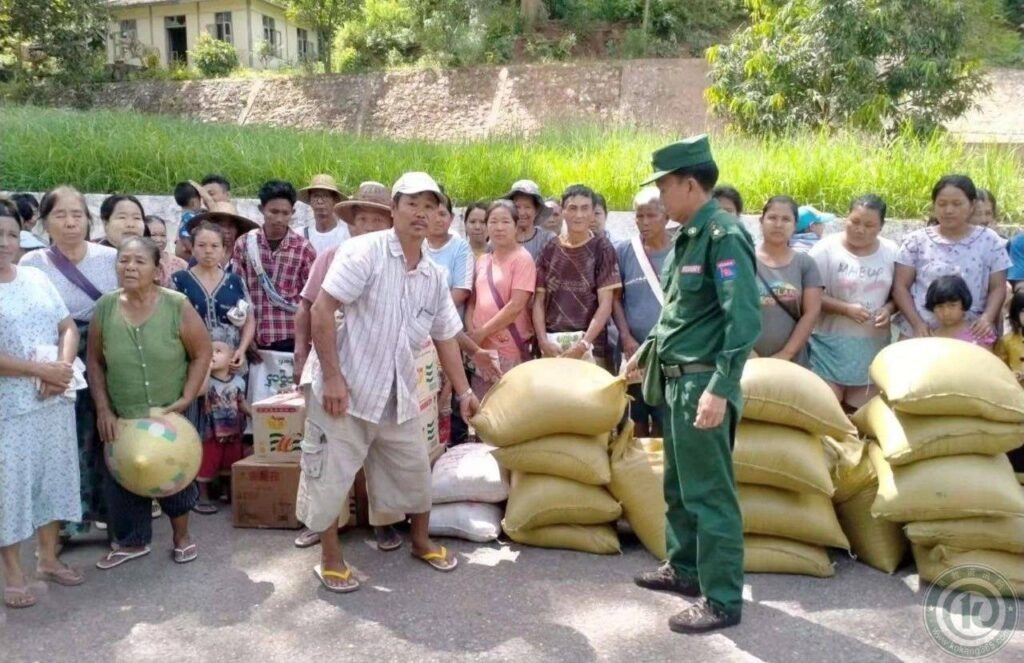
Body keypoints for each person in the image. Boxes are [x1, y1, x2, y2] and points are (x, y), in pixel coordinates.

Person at [299, 171, 480, 593]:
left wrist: (467, 391)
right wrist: (332, 378)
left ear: (440, 217)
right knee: (330, 475)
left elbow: (446, 335)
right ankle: (329, 559)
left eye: (430, 206)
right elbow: (320, 312)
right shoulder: (364, 253)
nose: (421, 213)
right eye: (411, 204)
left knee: (414, 471)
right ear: (394, 209)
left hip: (394, 392)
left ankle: (419, 542)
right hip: (343, 387)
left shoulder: (434, 274)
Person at [627, 135, 760, 634]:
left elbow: (742, 320)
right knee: (678, 485)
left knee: (711, 494)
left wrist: (720, 389)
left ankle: (722, 598)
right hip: (676, 380)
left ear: (688, 183)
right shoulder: (688, 235)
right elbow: (678, 316)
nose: (660, 195)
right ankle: (684, 569)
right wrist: (644, 354)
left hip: (704, 381)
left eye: (664, 185)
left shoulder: (724, 235)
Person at [292, 181, 404, 551]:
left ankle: (383, 520)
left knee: (379, 448)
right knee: (325, 449)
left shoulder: (402, 262)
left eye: (378, 219)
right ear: (351, 223)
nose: (369, 226)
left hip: (378, 370)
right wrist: (299, 358)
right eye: (362, 219)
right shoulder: (332, 256)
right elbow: (307, 308)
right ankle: (322, 520)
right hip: (331, 366)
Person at [87, 237, 212, 570]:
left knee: (174, 472)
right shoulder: (106, 306)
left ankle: (182, 537)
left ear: (157, 270)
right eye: (123, 260)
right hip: (124, 413)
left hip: (170, 412)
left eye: (139, 261)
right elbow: (95, 361)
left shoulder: (176, 304)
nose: (130, 267)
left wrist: (187, 395)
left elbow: (202, 352)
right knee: (124, 473)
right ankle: (133, 541)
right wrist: (103, 408)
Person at [20, 186, 118, 537]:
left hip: (104, 357)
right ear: (45, 222)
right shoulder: (32, 264)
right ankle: (66, 524)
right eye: (60, 215)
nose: (70, 222)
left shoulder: (110, 258)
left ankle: (112, 517)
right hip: (56, 362)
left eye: (77, 214)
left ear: (88, 220)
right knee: (66, 441)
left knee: (106, 435)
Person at [0, 201, 84, 609]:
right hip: (9, 409)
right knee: (10, 488)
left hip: (53, 399)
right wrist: (42, 370)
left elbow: (66, 325)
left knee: (53, 477)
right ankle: (13, 571)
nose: (4, 243)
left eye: (11, 235)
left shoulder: (35, 277)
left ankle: (47, 558)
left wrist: (63, 367)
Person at [893, 175, 1010, 340]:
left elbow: (998, 287)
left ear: (972, 205)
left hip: (972, 334)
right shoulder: (916, 242)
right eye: (942, 204)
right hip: (922, 333)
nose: (948, 210)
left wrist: (987, 318)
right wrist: (917, 324)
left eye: (957, 204)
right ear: (934, 205)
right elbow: (900, 287)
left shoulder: (990, 241)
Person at [808, 195, 897, 410]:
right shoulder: (825, 250)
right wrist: (845, 309)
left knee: (863, 417)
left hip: (871, 346)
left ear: (881, 226)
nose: (860, 230)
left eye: (869, 225)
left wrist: (888, 309)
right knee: (825, 409)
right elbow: (809, 294)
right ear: (845, 219)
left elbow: (900, 293)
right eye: (855, 222)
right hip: (827, 346)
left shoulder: (892, 252)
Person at [533, 185, 621, 368]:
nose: (579, 215)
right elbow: (538, 301)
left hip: (591, 348)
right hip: (552, 345)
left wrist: (584, 344)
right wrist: (542, 341)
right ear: (563, 212)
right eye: (572, 208)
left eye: (585, 208)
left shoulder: (602, 249)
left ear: (592, 213)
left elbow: (606, 304)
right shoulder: (549, 248)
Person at [231, 180, 316, 353]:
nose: (279, 219)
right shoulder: (245, 244)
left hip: (290, 338)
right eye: (273, 212)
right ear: (261, 209)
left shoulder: (303, 249)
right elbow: (238, 293)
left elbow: (311, 299)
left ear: (293, 212)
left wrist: (305, 342)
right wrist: (245, 337)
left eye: (285, 213)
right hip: (253, 337)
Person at [613, 186, 671, 437]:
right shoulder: (625, 251)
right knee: (634, 418)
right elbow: (616, 299)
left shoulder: (680, 250)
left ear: (666, 216)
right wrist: (625, 337)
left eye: (651, 215)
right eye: (639, 216)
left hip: (669, 350)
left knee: (663, 418)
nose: (644, 222)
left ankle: (661, 474)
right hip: (634, 351)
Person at [465, 200, 536, 397]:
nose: (498, 227)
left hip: (507, 346)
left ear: (516, 226)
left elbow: (516, 306)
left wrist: (482, 331)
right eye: (493, 221)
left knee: (508, 407)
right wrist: (472, 331)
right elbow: (473, 301)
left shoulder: (523, 259)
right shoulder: (483, 260)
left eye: (505, 222)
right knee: (482, 407)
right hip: (481, 347)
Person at [172, 221, 255, 366]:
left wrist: (241, 350)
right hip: (192, 360)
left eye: (215, 246)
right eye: (202, 245)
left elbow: (249, 320)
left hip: (230, 362)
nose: (208, 251)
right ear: (192, 249)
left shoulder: (236, 281)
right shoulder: (178, 281)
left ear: (224, 250)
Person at [753, 196, 823, 366]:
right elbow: (730, 310)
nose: (778, 224)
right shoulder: (743, 259)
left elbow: (811, 313)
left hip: (792, 363)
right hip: (746, 362)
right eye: (772, 218)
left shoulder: (805, 264)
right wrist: (748, 353)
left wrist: (786, 354)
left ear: (795, 224)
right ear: (761, 221)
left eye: (786, 219)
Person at [195, 325, 250, 514]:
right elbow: (199, 392)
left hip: (233, 430)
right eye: (209, 351)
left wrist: (256, 414)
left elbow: (241, 403)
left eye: (218, 351)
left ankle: (231, 493)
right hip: (211, 431)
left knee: (231, 462)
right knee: (208, 461)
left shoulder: (238, 381)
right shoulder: (206, 381)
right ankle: (202, 497)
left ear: (232, 354)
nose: (213, 356)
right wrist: (203, 370)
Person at [185, 201, 258, 272]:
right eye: (222, 225)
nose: (227, 231)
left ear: (238, 229)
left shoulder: (245, 256)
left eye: (231, 226)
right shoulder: (200, 256)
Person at [925, 275, 995, 348]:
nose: (946, 313)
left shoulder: (979, 334)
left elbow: (988, 358)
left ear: (964, 303)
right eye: (940, 307)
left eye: (952, 305)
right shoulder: (929, 336)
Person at [298, 174, 350, 255]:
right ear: (310, 200)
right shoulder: (301, 235)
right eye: (315, 196)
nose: (320, 201)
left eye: (325, 196)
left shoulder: (346, 235)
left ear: (335, 200)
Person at [504, 180, 556, 261]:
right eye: (517, 207)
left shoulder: (548, 239)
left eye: (527, 207)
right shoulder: (501, 236)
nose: (521, 213)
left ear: (536, 210)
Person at [145, 215, 188, 287]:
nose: (159, 240)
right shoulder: (138, 263)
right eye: (154, 235)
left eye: (163, 235)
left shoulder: (180, 264)